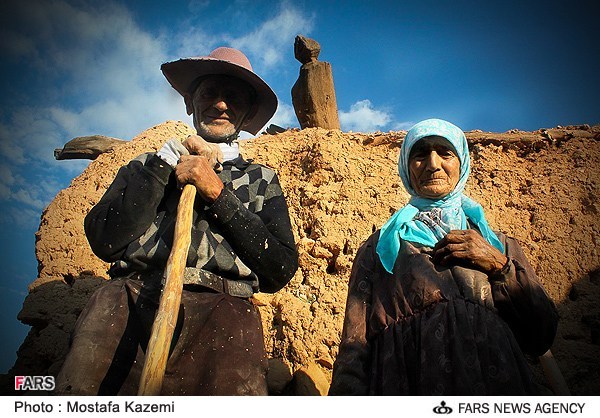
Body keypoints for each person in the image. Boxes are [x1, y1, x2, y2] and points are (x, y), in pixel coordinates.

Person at [55, 47, 298, 395]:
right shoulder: (145, 165)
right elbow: (105, 240)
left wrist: (218, 193)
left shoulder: (260, 179)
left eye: (233, 97)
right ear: (190, 103)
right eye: (209, 93)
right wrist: (160, 168)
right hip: (128, 303)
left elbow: (280, 269)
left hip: (225, 314)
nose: (220, 105)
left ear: (247, 115)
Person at [329, 118, 558, 395]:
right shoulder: (380, 249)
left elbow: (541, 335)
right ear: (405, 166)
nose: (433, 164)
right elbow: (354, 349)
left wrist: (499, 266)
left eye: (445, 153)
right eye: (420, 154)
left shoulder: (499, 245)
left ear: (461, 163)